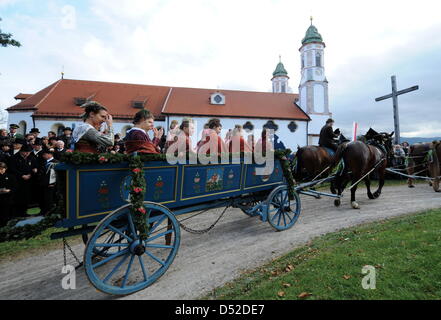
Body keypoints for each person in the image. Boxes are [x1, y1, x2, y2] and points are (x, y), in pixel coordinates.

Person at [8, 144, 38, 217]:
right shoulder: (14, 158)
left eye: (29, 152)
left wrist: (32, 172)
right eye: (26, 152)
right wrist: (22, 175)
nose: (27, 154)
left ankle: (24, 212)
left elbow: (35, 167)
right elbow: (12, 169)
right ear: (21, 151)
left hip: (28, 181)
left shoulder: (31, 157)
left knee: (26, 197)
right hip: (17, 181)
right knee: (17, 197)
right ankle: (14, 213)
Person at [36, 149, 58, 216]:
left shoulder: (55, 162)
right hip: (43, 183)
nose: (43, 156)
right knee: (43, 198)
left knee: (49, 199)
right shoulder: (44, 162)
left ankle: (49, 212)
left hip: (50, 184)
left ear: (49, 154)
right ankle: (43, 211)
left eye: (44, 154)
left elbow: (55, 175)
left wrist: (52, 183)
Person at [0, 162, 17, 227]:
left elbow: (15, 187)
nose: (1, 170)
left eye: (2, 169)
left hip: (8, 198)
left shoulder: (10, 177)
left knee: (7, 214)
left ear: (6, 168)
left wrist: (9, 190)